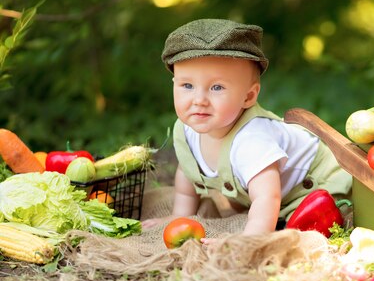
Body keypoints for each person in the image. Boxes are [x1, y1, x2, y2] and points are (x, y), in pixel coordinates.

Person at [142, 19, 352, 238]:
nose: (199, 100)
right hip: (276, 196)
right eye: (187, 85)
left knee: (293, 231)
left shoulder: (252, 140)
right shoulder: (186, 129)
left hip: (316, 189)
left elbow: (267, 197)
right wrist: (179, 215)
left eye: (216, 87)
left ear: (249, 96)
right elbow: (187, 169)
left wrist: (247, 241)